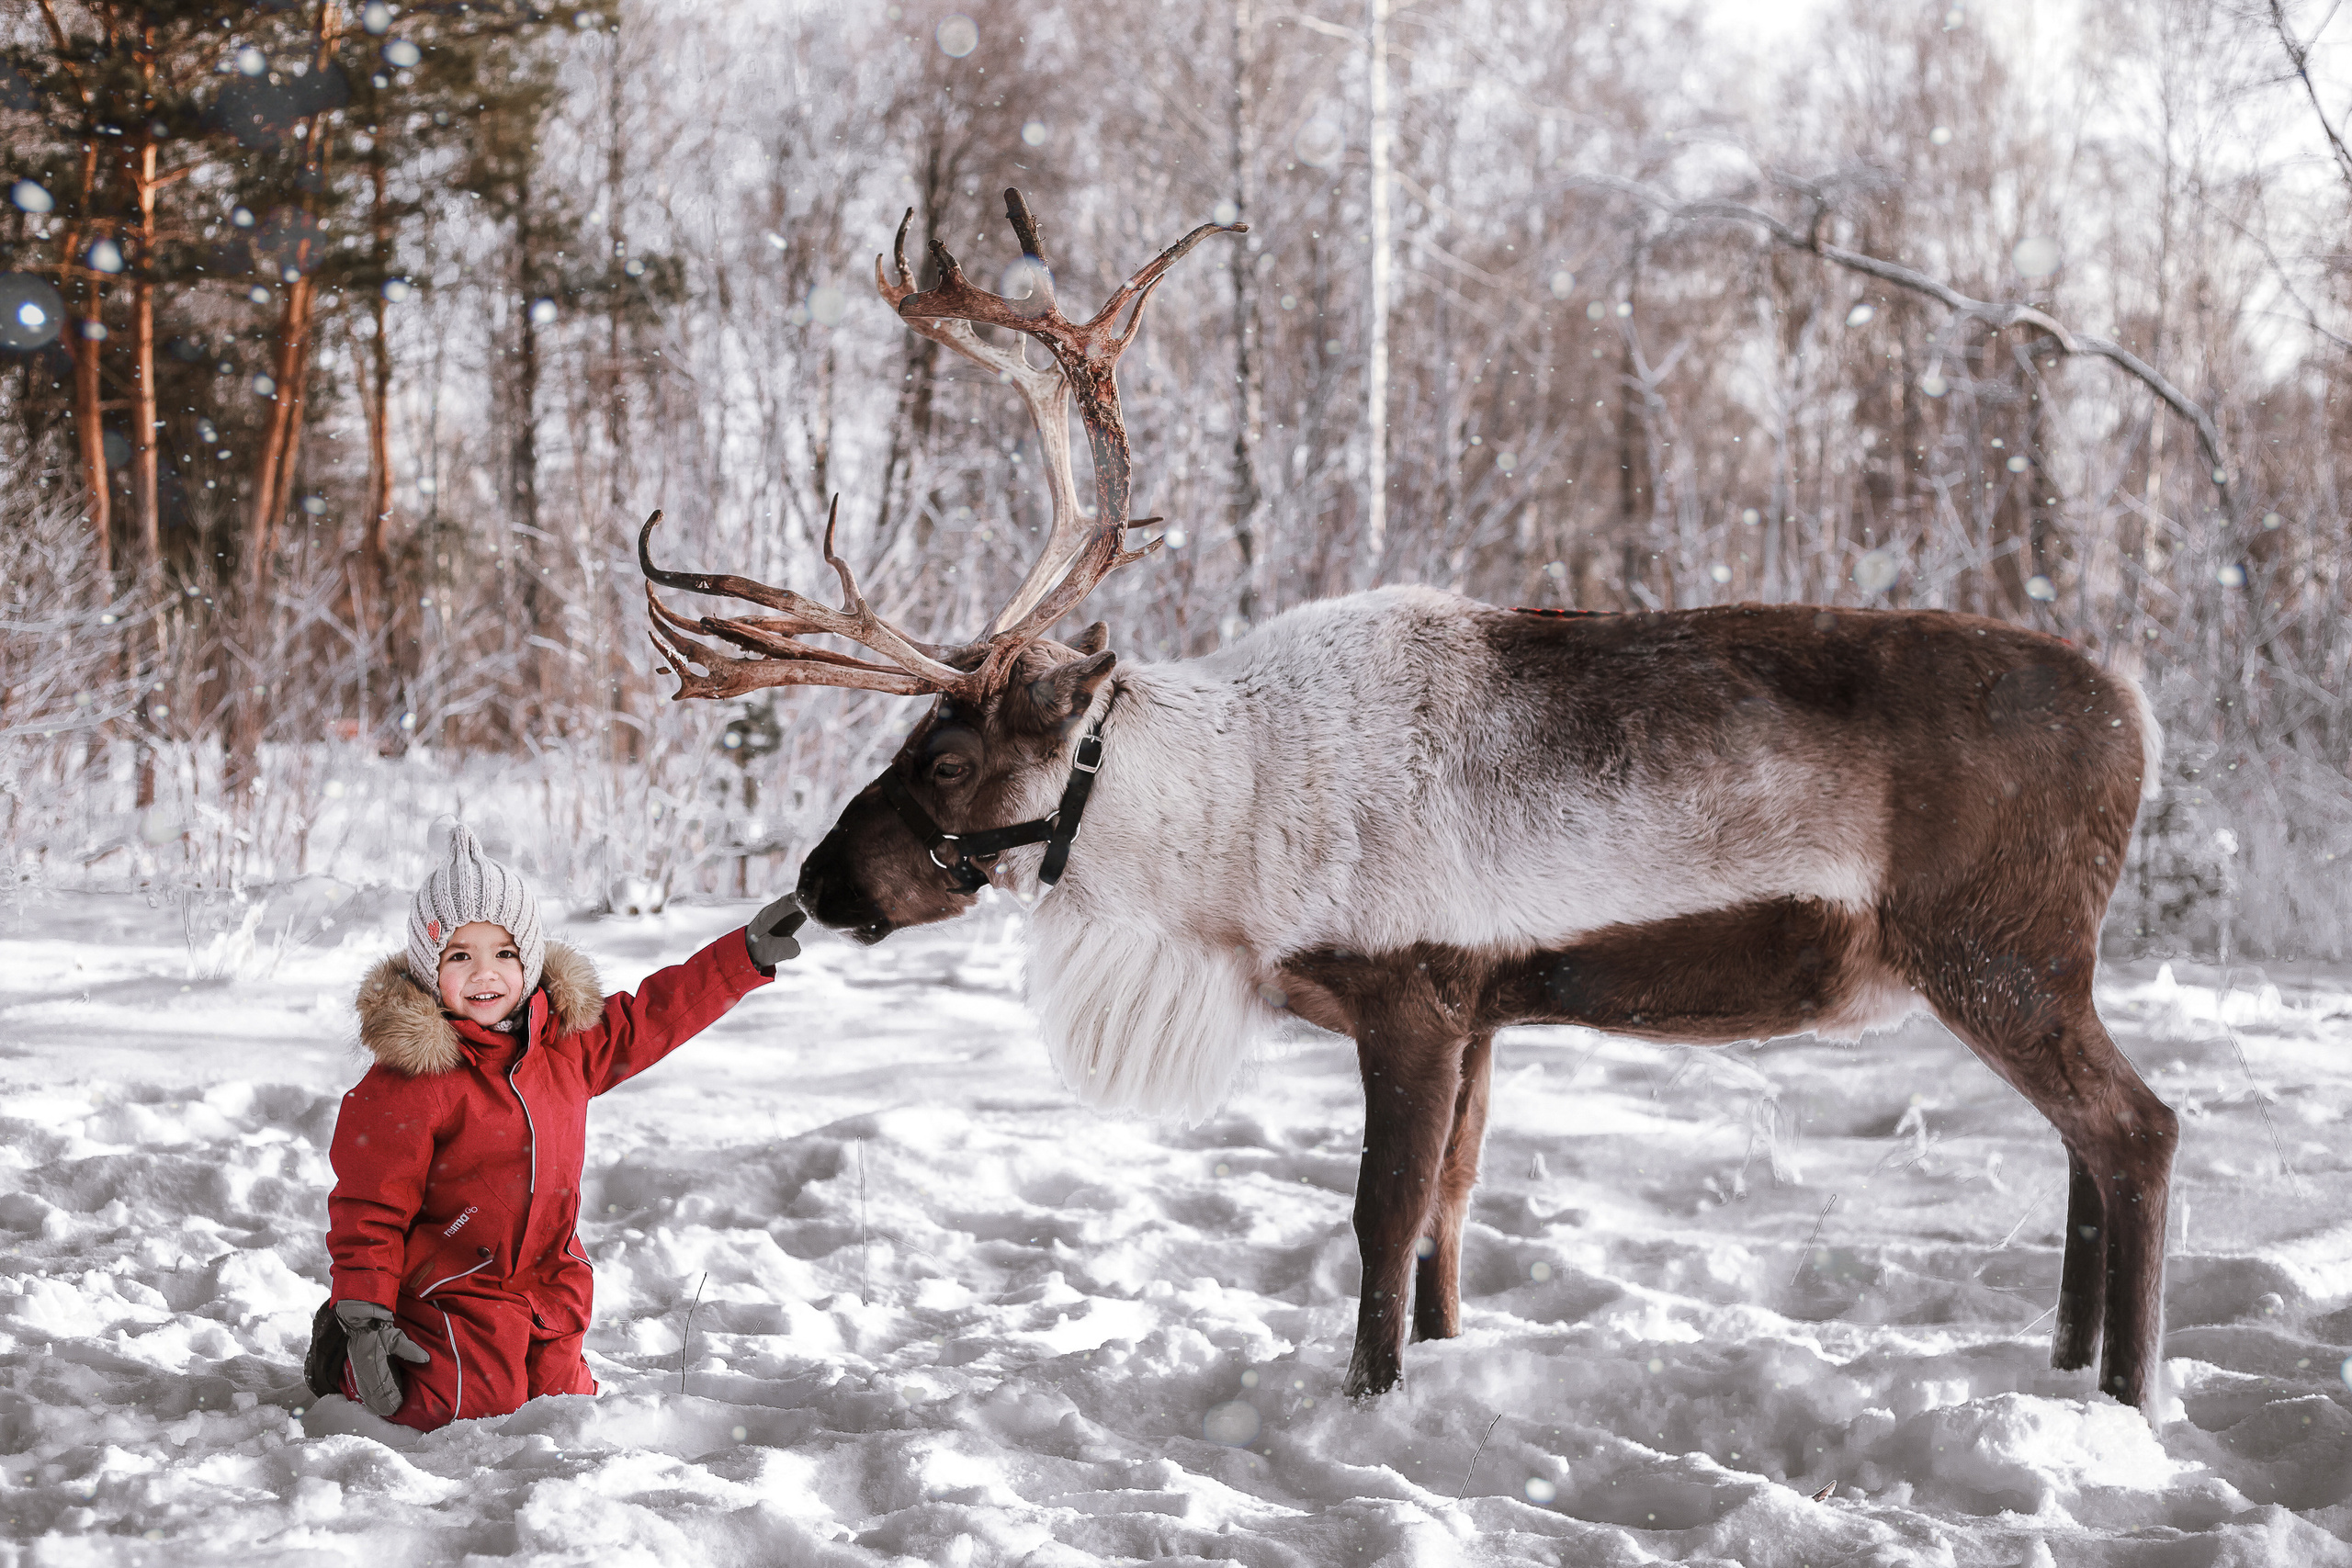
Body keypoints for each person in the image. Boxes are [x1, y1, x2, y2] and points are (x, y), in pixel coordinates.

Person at [303, 822, 807, 1431]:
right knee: (464, 1407)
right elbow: (369, 1205)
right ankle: (341, 1358)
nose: (485, 973)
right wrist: (364, 1310)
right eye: (460, 955)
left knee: (566, 1408)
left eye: (504, 954)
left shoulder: (565, 1046)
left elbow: (653, 1017)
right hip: (451, 1289)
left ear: (531, 959)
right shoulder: (411, 1081)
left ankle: (520, 1363)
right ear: (428, 968)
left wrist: (741, 957)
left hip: (550, 1280)